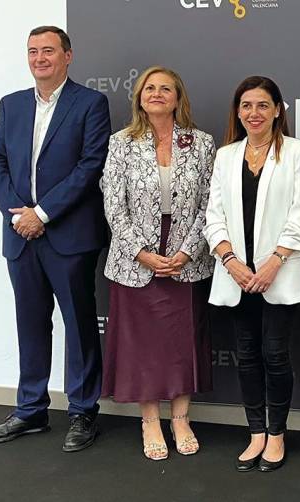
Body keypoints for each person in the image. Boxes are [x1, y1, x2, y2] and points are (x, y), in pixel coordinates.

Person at [0, 25, 111, 452]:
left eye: (49, 51)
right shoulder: (12, 105)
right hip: (21, 236)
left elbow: (90, 166)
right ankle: (30, 409)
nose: (40, 58)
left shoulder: (91, 103)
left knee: (78, 324)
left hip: (68, 236)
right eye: (33, 51)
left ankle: (82, 411)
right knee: (30, 325)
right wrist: (19, 214)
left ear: (68, 56)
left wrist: (43, 213)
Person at [100, 66, 216, 461]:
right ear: (138, 96)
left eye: (166, 88)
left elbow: (209, 206)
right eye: (150, 88)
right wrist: (142, 253)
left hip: (186, 258)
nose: (157, 93)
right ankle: (150, 421)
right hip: (135, 261)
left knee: (182, 342)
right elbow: (114, 206)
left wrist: (186, 251)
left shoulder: (201, 143)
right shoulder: (121, 143)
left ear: (178, 97)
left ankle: (180, 418)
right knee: (143, 347)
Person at [204, 76, 300, 473]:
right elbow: (213, 215)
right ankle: (255, 432)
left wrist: (272, 264)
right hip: (236, 275)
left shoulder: (298, 152)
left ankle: (277, 433)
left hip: (278, 274)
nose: (255, 113)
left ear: (278, 110)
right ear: (238, 111)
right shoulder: (226, 156)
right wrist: (231, 261)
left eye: (263, 105)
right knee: (247, 355)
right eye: (247, 105)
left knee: (274, 353)